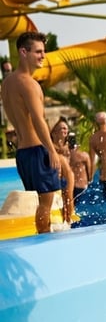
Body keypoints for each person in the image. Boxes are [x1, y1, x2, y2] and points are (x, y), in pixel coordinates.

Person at [0, 31, 61, 234]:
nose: (43, 56)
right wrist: (51, 150)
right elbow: (37, 119)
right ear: (23, 52)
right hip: (37, 150)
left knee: (43, 201)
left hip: (23, 153)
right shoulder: (29, 83)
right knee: (46, 203)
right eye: (38, 52)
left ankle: (43, 236)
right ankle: (45, 240)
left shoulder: (7, 84)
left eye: (43, 51)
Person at [50, 117, 75, 224]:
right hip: (57, 174)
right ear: (54, 132)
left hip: (68, 175)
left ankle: (69, 220)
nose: (65, 130)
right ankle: (63, 219)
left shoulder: (69, 145)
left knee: (68, 198)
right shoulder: (51, 146)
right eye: (62, 128)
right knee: (59, 199)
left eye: (66, 128)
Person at [68, 133, 92, 202]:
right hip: (82, 186)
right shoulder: (83, 155)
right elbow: (89, 174)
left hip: (70, 186)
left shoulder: (65, 154)